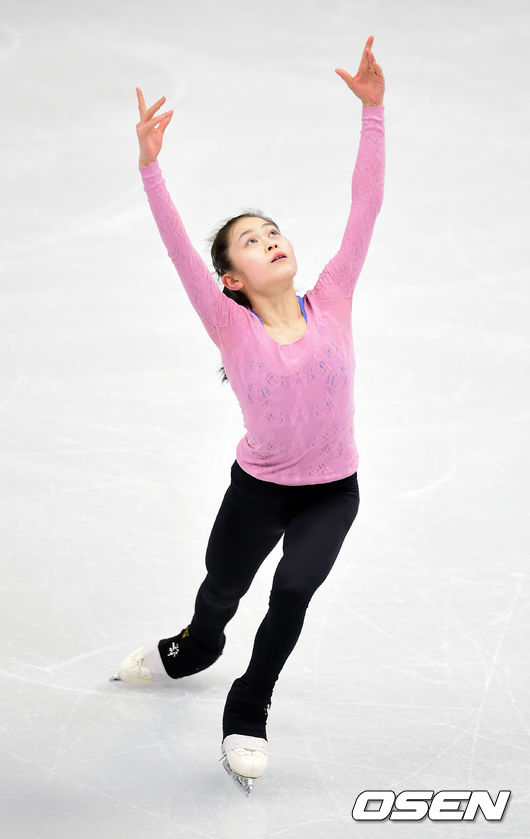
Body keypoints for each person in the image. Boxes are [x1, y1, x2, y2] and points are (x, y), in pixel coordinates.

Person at [112, 35, 385, 793]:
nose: (271, 241)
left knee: (292, 591)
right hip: (258, 490)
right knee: (221, 590)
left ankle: (249, 702)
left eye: (272, 232)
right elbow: (178, 250)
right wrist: (150, 167)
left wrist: (373, 113)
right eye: (251, 243)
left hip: (332, 491)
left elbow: (365, 207)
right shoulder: (231, 327)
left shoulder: (333, 296)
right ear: (232, 279)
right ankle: (198, 645)